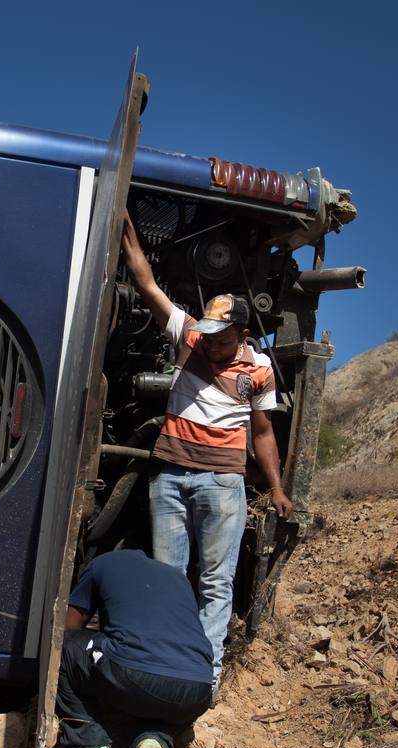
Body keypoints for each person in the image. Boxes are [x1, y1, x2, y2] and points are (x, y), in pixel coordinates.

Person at [120, 213, 294, 692]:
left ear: (241, 332)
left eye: (221, 336)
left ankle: (204, 676)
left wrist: (276, 487)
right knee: (167, 578)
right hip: (171, 477)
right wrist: (126, 228)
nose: (210, 342)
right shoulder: (190, 335)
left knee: (216, 582)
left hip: (222, 484)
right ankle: (161, 665)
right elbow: (147, 284)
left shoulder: (258, 371)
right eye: (208, 332)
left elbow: (262, 432)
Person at [56, 549, 214, 748]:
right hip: (198, 690)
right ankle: (154, 739)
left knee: (63, 647)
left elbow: (69, 628)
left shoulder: (102, 563)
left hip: (133, 676)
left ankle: (90, 747)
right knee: (159, 694)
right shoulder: (178, 577)